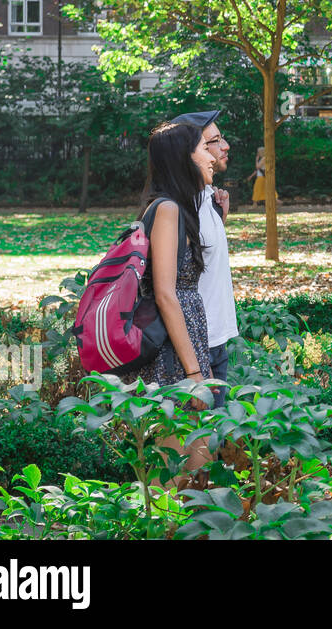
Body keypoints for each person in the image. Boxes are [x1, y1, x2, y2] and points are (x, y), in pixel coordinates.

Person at [130, 120, 217, 478]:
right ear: (184, 158)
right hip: (171, 356)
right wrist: (193, 372)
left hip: (184, 350)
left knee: (199, 469)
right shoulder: (166, 210)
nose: (211, 156)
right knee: (175, 474)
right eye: (202, 148)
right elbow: (166, 293)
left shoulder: (179, 209)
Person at [171, 109, 238, 410]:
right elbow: (169, 289)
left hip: (215, 340)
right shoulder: (178, 208)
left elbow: (200, 266)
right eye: (214, 141)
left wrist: (220, 218)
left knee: (211, 441)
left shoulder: (206, 198)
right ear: (191, 152)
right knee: (199, 443)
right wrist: (194, 366)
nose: (224, 147)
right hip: (198, 344)